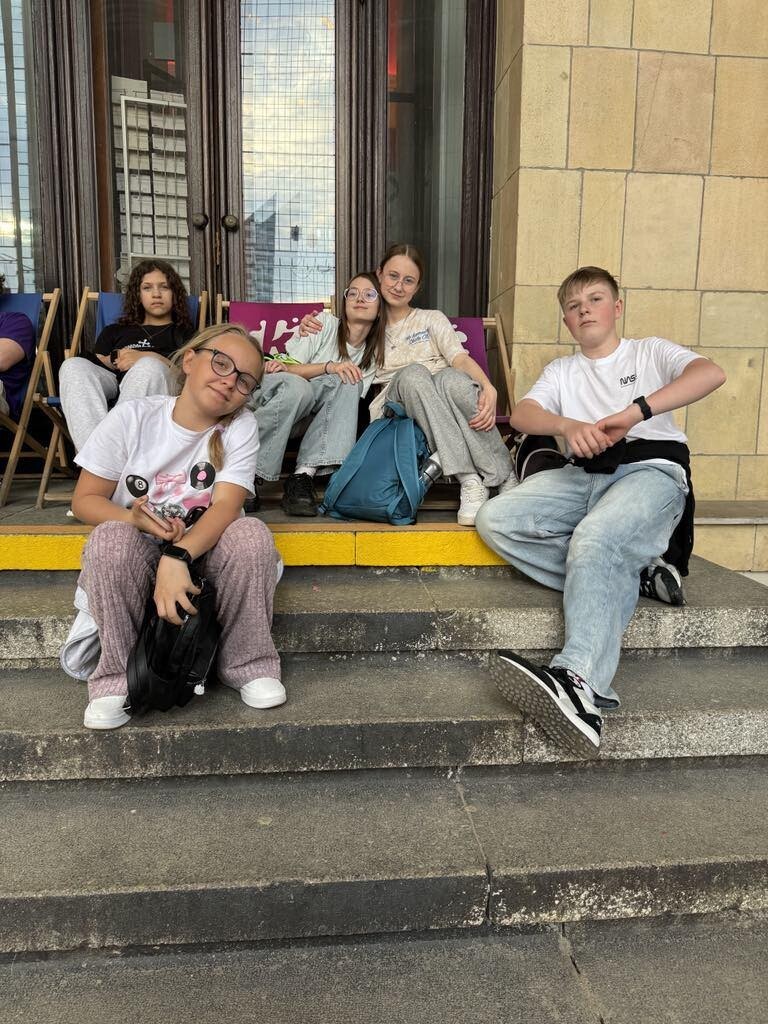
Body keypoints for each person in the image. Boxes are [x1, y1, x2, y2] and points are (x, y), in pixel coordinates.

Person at [475, 266, 726, 757]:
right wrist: (568, 427)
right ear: (567, 320)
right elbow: (523, 413)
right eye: (573, 306)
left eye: (595, 299)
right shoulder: (562, 370)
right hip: (583, 474)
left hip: (650, 471)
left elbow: (711, 374)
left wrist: (634, 413)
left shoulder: (649, 351)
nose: (584, 309)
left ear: (617, 307)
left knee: (595, 539)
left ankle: (578, 685)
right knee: (496, 520)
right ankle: (631, 572)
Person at [68, 323, 284, 731]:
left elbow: (227, 506)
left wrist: (179, 556)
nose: (229, 381)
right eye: (221, 363)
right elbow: (85, 500)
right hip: (139, 555)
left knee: (252, 534)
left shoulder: (239, 426)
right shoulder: (134, 416)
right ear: (189, 360)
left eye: (244, 380)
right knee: (109, 539)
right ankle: (116, 677)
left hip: (204, 554)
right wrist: (132, 518)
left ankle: (248, 662)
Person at [301, 244, 514, 525]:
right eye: (393, 276)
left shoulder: (431, 318)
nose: (399, 286)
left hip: (440, 396)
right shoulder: (367, 324)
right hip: (397, 405)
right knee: (414, 375)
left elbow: (459, 359)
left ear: (417, 287)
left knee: (452, 379)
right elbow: (335, 341)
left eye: (408, 280)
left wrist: (489, 386)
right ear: (379, 275)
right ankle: (469, 478)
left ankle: (505, 475)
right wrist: (310, 326)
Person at [249, 270, 384, 516]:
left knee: (350, 381)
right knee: (300, 387)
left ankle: (302, 477)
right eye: (352, 293)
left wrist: (339, 371)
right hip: (280, 398)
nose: (359, 298)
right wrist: (330, 366)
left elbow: (341, 412)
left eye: (369, 294)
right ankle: (248, 475)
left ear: (380, 308)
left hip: (308, 421)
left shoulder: (372, 357)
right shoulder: (323, 324)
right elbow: (286, 368)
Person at [59, 259, 195, 451]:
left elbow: (190, 374)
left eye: (164, 287)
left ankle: (111, 454)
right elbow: (95, 363)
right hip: (115, 380)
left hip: (158, 382)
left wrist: (148, 357)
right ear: (138, 295)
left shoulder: (185, 334)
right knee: (72, 365)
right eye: (147, 288)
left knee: (148, 366)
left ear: (175, 294)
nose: (156, 294)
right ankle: (95, 454)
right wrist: (114, 358)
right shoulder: (115, 331)